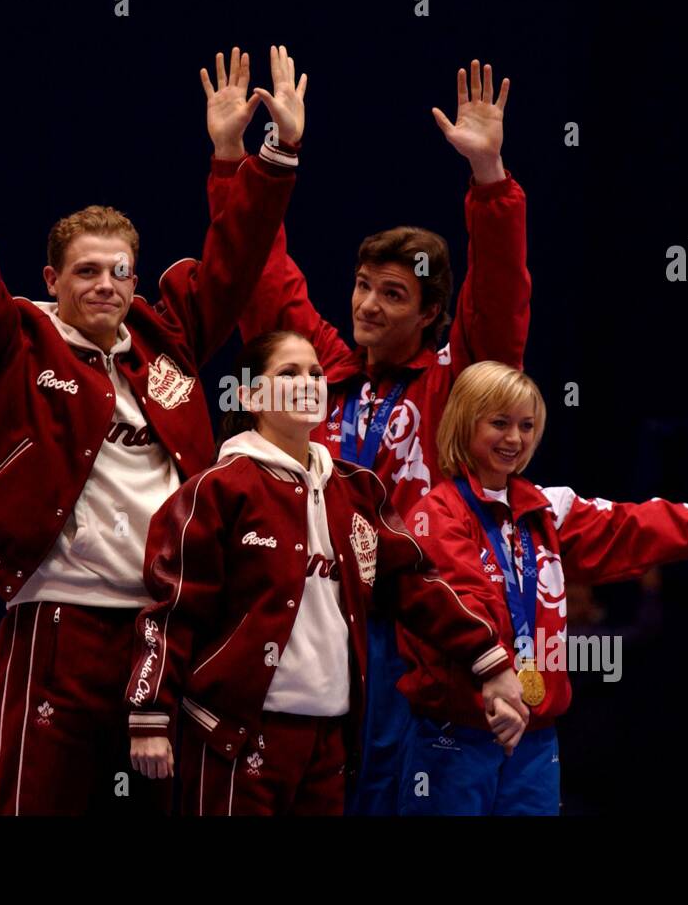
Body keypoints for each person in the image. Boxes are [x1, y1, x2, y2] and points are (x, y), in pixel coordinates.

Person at [0, 37, 303, 814]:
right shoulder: (13, 340)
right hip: (57, 620)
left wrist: (265, 156)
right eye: (86, 270)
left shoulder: (165, 340)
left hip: (164, 632)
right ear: (51, 280)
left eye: (119, 271)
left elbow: (236, 260)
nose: (105, 285)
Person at [209, 58, 532, 813]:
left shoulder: (455, 383)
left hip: (406, 623)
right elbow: (260, 272)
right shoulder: (318, 364)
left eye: (395, 294)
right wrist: (233, 163)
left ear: (431, 315)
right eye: (362, 286)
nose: (370, 306)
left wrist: (489, 177)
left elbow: (501, 298)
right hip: (308, 609)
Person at [398, 361, 688, 814]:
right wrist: (494, 671)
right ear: (463, 422)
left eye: (527, 425)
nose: (515, 438)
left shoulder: (548, 511)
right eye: (499, 423)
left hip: (535, 741)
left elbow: (643, 526)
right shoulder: (436, 514)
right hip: (456, 735)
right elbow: (460, 601)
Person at [125, 331, 528, 815]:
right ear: (251, 396)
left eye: (316, 373)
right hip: (236, 736)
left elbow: (416, 587)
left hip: (331, 741)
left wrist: (492, 661)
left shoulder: (357, 491)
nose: (308, 382)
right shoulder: (217, 490)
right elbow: (175, 610)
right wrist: (149, 713)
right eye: (288, 373)